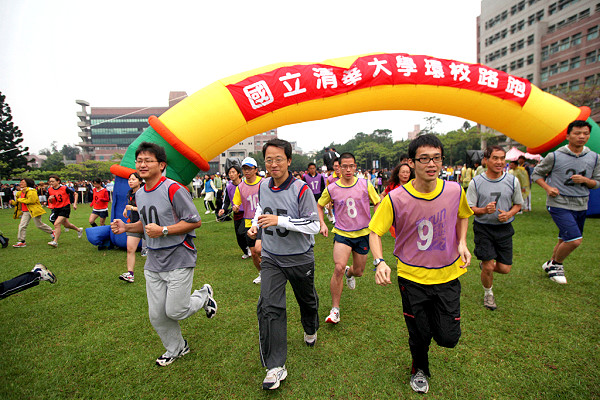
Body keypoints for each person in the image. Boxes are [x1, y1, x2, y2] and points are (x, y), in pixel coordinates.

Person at [368, 134, 473, 394]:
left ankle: (434, 337)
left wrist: (462, 242)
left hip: (448, 275)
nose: (431, 164)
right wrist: (379, 261)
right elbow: (374, 231)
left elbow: (462, 215)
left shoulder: (454, 190)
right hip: (411, 278)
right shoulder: (395, 198)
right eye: (424, 158)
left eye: (436, 158)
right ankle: (420, 369)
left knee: (449, 338)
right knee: (419, 334)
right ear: (412, 163)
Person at [111, 142, 217, 367]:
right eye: (139, 160)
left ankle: (204, 295)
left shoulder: (173, 189)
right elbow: (147, 223)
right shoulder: (139, 194)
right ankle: (177, 348)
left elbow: (194, 221)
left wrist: (164, 230)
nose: (142, 164)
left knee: (176, 310)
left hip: (179, 257)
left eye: (148, 160)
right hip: (153, 260)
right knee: (157, 315)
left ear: (161, 165)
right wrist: (127, 227)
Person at [247, 138, 320, 390]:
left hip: (300, 258)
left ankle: (310, 327)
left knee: (307, 301)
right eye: (269, 159)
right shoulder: (264, 185)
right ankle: (275, 366)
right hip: (271, 257)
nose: (273, 164)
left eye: (279, 159)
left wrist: (281, 221)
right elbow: (261, 208)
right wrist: (256, 223)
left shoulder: (301, 189)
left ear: (289, 161)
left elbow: (314, 225)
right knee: (270, 306)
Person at [532, 120, 600, 284]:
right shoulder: (555, 156)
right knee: (574, 240)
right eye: (577, 133)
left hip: (581, 204)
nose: (581, 137)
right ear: (568, 136)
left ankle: (550, 263)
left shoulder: (594, 157)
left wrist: (585, 180)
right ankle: (556, 265)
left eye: (585, 133)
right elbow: (536, 175)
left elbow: (597, 182)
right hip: (558, 203)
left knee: (564, 239)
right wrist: (548, 188)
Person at [317, 152, 381, 324]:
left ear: (355, 167)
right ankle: (335, 310)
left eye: (351, 166)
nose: (347, 169)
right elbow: (319, 205)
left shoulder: (365, 184)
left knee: (359, 271)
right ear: (338, 168)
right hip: (342, 234)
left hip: (362, 234)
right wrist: (322, 223)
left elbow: (378, 203)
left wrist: (377, 222)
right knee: (338, 267)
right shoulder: (332, 188)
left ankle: (349, 272)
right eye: (343, 166)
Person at [468, 147, 522, 311]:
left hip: (504, 229)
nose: (499, 162)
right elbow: (469, 208)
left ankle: (486, 266)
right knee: (489, 266)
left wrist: (509, 213)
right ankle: (488, 294)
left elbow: (518, 205)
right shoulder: (476, 182)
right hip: (483, 229)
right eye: (495, 158)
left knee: (505, 269)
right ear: (486, 160)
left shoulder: (512, 181)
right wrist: (483, 210)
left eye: (502, 158)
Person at [232, 157, 263, 284]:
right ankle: (262, 273)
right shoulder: (240, 187)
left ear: (255, 170)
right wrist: (235, 208)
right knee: (254, 253)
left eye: (249, 168)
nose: (247, 171)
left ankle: (272, 272)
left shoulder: (264, 183)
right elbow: (236, 204)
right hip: (249, 223)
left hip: (264, 221)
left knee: (262, 250)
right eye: (244, 169)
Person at [218, 165, 251, 259]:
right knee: (238, 236)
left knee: (242, 232)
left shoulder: (245, 185)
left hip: (246, 213)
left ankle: (250, 247)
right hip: (236, 214)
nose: (231, 174)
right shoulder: (229, 187)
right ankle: (246, 251)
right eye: (229, 173)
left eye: (233, 172)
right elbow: (226, 201)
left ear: (239, 173)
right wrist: (223, 209)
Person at [10, 178, 54, 248]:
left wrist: (19, 199)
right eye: (20, 182)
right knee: (22, 225)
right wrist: (13, 202)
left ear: (28, 183)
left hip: (34, 210)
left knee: (39, 225)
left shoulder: (32, 191)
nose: (21, 183)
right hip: (25, 211)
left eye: (23, 182)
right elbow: (19, 203)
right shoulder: (19, 192)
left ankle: (52, 232)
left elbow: (31, 200)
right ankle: (22, 241)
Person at [119, 172, 145, 283]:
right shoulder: (130, 193)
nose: (130, 181)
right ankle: (130, 274)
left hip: (147, 224)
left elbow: (146, 208)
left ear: (140, 181)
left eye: (133, 179)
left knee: (157, 251)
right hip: (134, 223)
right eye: (129, 179)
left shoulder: (145, 192)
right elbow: (130, 205)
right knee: (130, 249)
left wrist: (132, 208)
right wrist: (126, 209)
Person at [47, 174, 83, 248]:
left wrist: (74, 204)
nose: (51, 183)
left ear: (58, 181)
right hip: (56, 208)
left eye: (53, 181)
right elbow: (51, 201)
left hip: (65, 208)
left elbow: (75, 194)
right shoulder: (50, 190)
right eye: (50, 182)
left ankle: (55, 242)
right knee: (67, 225)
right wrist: (50, 199)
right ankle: (79, 230)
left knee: (57, 224)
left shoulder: (64, 188)